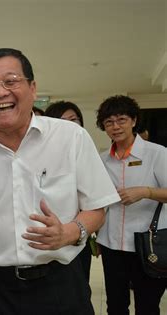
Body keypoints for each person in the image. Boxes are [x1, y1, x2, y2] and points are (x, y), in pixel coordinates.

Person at [0, 48, 120, 315]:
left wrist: (69, 232)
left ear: (32, 87)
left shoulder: (70, 138)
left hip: (59, 284)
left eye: (11, 81)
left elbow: (98, 207)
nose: (0, 92)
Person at [95, 95, 167, 315]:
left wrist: (146, 192)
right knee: (115, 305)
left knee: (147, 306)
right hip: (111, 244)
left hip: (147, 244)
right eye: (109, 122)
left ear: (134, 121)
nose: (115, 127)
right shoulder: (102, 158)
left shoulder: (157, 154)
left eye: (121, 119)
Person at [45, 100, 93, 281]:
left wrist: (73, 231)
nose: (68, 126)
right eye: (61, 120)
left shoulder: (84, 152)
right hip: (43, 242)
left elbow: (96, 206)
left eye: (74, 120)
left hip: (75, 238)